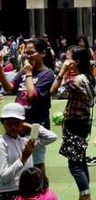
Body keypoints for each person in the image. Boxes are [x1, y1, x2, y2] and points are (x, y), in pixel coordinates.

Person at [0, 38, 55, 178]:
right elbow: (8, 88)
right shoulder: (23, 72)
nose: (28, 56)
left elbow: (32, 95)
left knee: (36, 162)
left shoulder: (47, 74)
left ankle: (42, 189)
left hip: (35, 125)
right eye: (27, 53)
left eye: (32, 52)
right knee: (20, 160)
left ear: (42, 53)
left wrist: (29, 73)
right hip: (19, 124)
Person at [50, 47, 95, 200]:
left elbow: (53, 91)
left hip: (75, 124)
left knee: (74, 165)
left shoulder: (76, 80)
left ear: (75, 61)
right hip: (82, 123)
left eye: (68, 59)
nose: (65, 61)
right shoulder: (86, 77)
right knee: (80, 162)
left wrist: (62, 71)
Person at [0, 103, 57, 200]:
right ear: (3, 123)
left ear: (22, 123)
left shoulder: (25, 141)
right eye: (9, 123)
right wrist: (23, 159)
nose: (13, 127)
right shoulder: (1, 143)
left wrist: (32, 127)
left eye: (16, 123)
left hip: (28, 193)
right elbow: (3, 178)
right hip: (8, 194)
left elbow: (52, 137)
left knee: (50, 196)